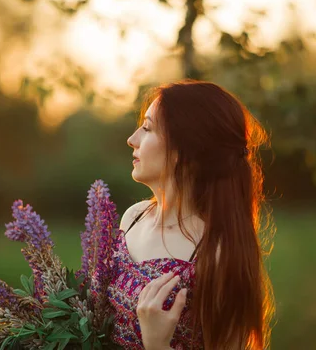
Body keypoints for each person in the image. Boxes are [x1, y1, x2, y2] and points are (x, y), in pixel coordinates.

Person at [105, 80, 274, 350]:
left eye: (147, 128)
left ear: (184, 151)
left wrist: (158, 345)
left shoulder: (215, 253)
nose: (132, 139)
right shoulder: (132, 218)